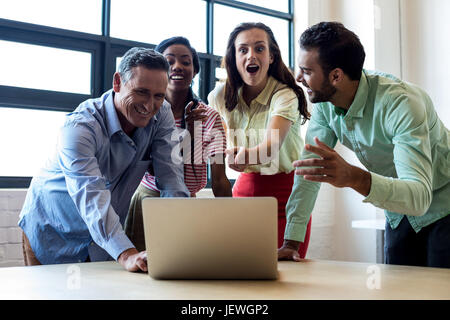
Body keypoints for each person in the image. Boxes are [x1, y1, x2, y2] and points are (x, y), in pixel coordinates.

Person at [279, 21, 450, 268]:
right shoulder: (324, 105)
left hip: (443, 204)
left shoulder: (401, 104)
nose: (298, 78)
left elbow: (420, 198)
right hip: (398, 211)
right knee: (398, 292)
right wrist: (291, 242)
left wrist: (354, 177)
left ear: (336, 75)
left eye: (306, 71)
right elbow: (310, 172)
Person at [18, 47, 189, 272]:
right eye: (141, 92)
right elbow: (91, 196)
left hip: (103, 240)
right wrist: (127, 254)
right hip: (52, 234)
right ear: (117, 82)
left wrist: (184, 242)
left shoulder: (161, 113)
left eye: (158, 95)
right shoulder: (79, 128)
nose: (149, 106)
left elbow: (172, 179)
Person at [207, 22, 311, 259]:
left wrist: (244, 155)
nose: (251, 55)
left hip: (288, 199)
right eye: (242, 50)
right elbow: (220, 148)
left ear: (272, 56)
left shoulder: (286, 94)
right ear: (233, 58)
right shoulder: (219, 96)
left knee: (286, 278)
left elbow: (269, 149)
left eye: (259, 49)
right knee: (242, 270)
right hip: (243, 191)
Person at [125, 37, 232, 251]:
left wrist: (230, 222)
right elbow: (153, 165)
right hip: (147, 200)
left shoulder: (210, 118)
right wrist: (186, 136)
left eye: (186, 61)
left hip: (186, 203)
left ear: (194, 70)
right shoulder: (144, 113)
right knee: (137, 276)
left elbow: (219, 180)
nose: (178, 67)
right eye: (169, 60)